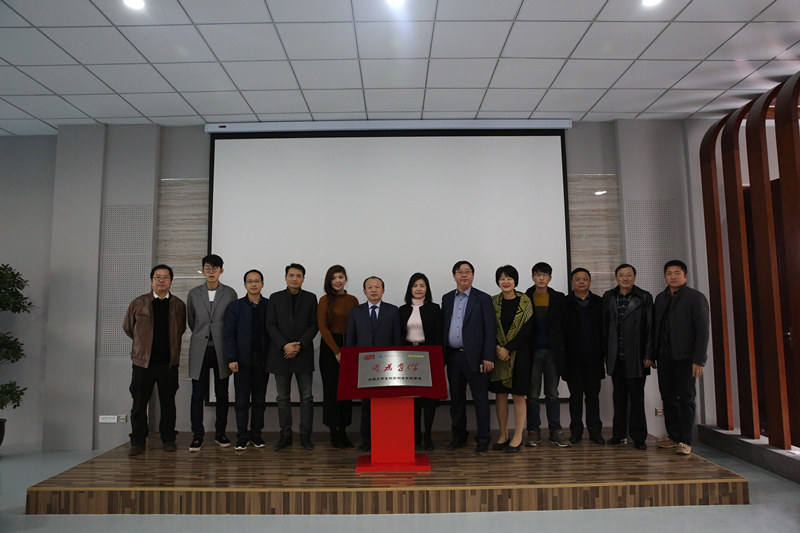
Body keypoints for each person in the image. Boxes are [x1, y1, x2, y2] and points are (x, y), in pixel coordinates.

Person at [123, 264, 186, 456]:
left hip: (168, 363)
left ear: (171, 281)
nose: (161, 280)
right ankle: (137, 441)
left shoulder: (178, 305)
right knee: (139, 403)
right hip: (143, 363)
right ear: (151, 280)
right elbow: (128, 328)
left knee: (168, 403)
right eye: (157, 277)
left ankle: (168, 439)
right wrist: (142, 346)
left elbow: (181, 329)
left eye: (165, 277)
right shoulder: (138, 303)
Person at [653, 260, 710, 456]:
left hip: (686, 358)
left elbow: (702, 331)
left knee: (686, 398)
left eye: (677, 273)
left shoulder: (695, 298)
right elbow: (656, 328)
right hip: (665, 357)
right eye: (669, 273)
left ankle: (686, 440)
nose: (673, 276)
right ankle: (674, 436)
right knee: (668, 397)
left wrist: (699, 359)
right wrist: (653, 354)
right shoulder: (661, 298)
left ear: (685, 276)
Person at [442, 260, 496, 455]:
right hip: (453, 357)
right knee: (456, 399)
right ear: (454, 276)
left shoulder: (483, 298)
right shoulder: (447, 298)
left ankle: (483, 439)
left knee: (480, 400)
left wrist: (488, 357)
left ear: (473, 275)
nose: (463, 275)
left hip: (476, 357)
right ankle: (459, 436)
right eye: (459, 272)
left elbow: (490, 330)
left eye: (467, 271)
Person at [186, 254, 238, 451]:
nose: (211, 272)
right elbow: (192, 321)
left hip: (221, 349)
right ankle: (197, 435)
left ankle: (220, 433)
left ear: (221, 271)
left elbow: (231, 322)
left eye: (215, 268)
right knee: (197, 394)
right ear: (203, 270)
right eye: (207, 268)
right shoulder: (194, 294)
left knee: (222, 393)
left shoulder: (230, 293)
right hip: (200, 349)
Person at [345, 276, 402, 452]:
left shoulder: (393, 311)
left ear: (383, 290)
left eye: (377, 287)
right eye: (370, 287)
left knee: (387, 404)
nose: (374, 290)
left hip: (387, 366)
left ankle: (386, 437)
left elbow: (397, 340)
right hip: (365, 366)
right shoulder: (355, 312)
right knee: (366, 405)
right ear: (364, 291)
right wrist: (352, 363)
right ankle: (367, 440)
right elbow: (350, 340)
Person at [266, 263, 318, 451]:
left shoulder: (311, 298)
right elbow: (270, 324)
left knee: (307, 397)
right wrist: (285, 345)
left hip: (303, 353)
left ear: (303, 278)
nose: (295, 279)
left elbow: (314, 325)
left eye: (298, 276)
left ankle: (306, 436)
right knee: (282, 398)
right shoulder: (275, 298)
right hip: (281, 354)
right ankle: (285, 435)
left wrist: (299, 345)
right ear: (285, 277)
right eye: (291, 275)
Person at [602, 263, 653, 450]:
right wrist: (606, 354)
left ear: (634, 277)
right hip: (616, 356)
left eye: (629, 275)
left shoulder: (644, 297)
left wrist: (649, 354)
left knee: (637, 398)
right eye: (622, 275)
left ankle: (638, 437)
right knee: (619, 397)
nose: (625, 278)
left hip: (637, 357)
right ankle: (619, 434)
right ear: (616, 278)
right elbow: (604, 328)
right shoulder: (609, 297)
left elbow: (650, 327)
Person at [524, 262, 570, 448]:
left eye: (544, 275)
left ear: (550, 278)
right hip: (532, 352)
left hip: (553, 353)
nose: (541, 278)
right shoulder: (525, 298)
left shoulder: (559, 298)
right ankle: (533, 431)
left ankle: (555, 431)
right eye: (537, 274)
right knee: (532, 394)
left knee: (552, 393)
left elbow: (565, 327)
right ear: (532, 277)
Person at [223, 269, 269, 450]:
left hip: (262, 360)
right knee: (241, 401)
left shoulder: (269, 305)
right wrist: (232, 357)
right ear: (245, 285)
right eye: (250, 281)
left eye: (257, 281)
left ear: (262, 284)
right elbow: (229, 334)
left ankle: (256, 434)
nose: (253, 284)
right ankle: (242, 436)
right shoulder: (235, 307)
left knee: (259, 400)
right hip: (241, 360)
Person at [489, 265, 533, 453]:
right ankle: (503, 434)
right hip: (498, 355)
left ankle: (518, 436)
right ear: (497, 281)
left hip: (520, 354)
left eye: (509, 278)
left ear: (515, 280)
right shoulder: (492, 302)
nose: (505, 282)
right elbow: (488, 328)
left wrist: (508, 348)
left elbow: (527, 331)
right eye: (502, 278)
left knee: (518, 395)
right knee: (500, 395)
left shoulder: (525, 301)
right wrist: (498, 348)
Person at [398, 273, 443, 451]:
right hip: (408, 355)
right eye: (415, 285)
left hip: (428, 354)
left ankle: (428, 435)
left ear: (427, 289)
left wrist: (440, 359)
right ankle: (415, 435)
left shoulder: (434, 309)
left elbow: (439, 335)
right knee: (413, 399)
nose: (418, 289)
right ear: (410, 288)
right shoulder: (402, 310)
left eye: (422, 286)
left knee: (428, 398)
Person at [317, 265, 359, 448]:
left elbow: (357, 325)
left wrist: (350, 351)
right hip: (330, 348)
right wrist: (336, 351)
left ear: (345, 279)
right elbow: (322, 327)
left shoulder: (353, 300)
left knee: (346, 391)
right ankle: (333, 432)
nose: (337, 281)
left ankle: (343, 430)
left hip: (349, 345)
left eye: (340, 277)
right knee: (332, 391)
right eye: (333, 278)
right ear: (329, 281)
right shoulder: (325, 300)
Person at [563, 267, 605, 445]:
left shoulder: (599, 303)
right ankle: (576, 432)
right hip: (573, 360)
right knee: (575, 398)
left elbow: (605, 331)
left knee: (593, 398)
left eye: (584, 279)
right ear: (572, 282)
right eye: (577, 279)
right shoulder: (564, 303)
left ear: (589, 282)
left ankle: (595, 432)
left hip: (594, 359)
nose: (581, 282)